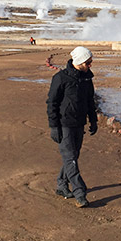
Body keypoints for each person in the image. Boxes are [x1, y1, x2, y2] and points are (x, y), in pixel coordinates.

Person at [46, 46, 97, 208]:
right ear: (79, 61)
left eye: (91, 62)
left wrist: (93, 121)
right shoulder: (61, 78)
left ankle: (61, 185)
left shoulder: (87, 79)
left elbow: (90, 101)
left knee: (73, 157)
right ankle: (79, 192)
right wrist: (54, 126)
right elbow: (51, 103)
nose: (90, 65)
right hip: (64, 124)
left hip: (79, 123)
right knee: (70, 158)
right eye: (88, 62)